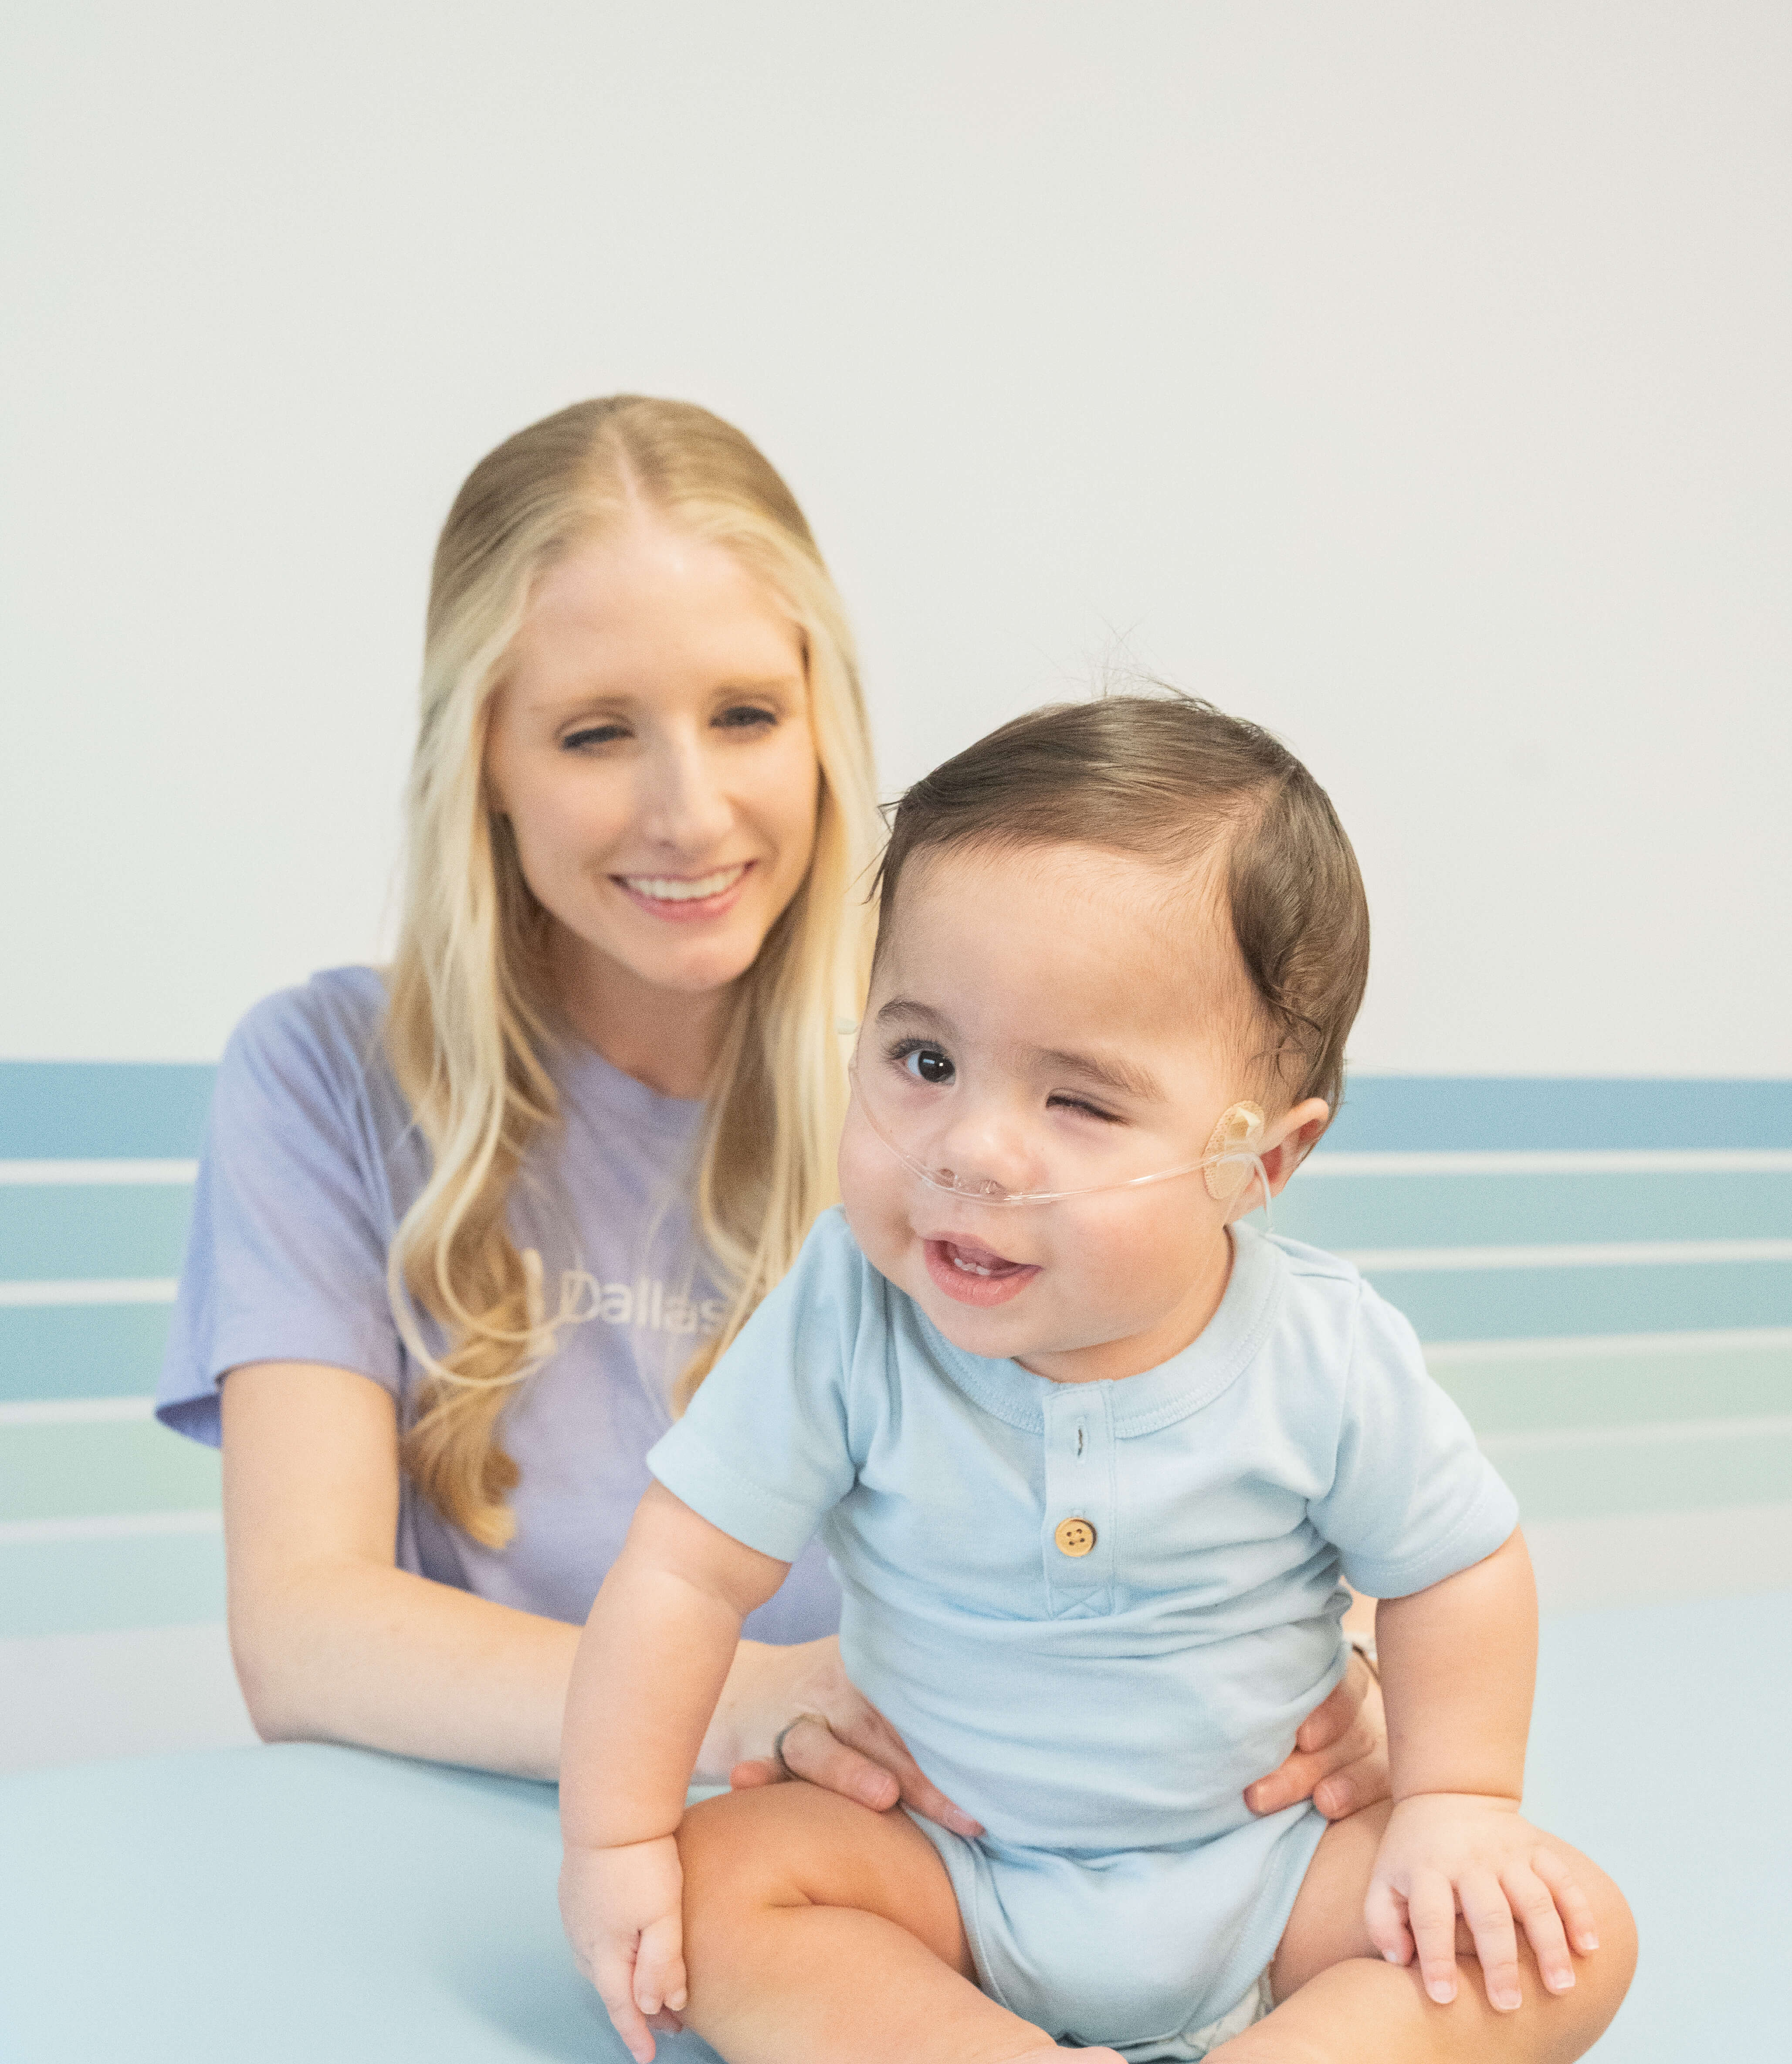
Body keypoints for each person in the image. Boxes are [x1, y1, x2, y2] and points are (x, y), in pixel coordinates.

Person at [157, 398, 1386, 1820]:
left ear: (821, 724)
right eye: (595, 733)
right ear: (483, 758)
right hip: (476, 1866)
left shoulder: (943, 1093)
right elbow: (303, 1640)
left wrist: (1337, 1669)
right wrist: (732, 1695)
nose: (688, 811)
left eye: (744, 716)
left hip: (903, 1882)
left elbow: (1217, 1467)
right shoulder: (322, 1076)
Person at [557, 691, 1638, 2064]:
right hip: (949, 1863)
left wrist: (1459, 1806)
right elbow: (679, 1572)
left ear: (1258, 1163)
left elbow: (1459, 1563)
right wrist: (614, 1840)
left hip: (1263, 1876)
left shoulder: (1320, 1351)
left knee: (1569, 1937)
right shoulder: (848, 1315)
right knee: (721, 1899)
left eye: (1075, 1099)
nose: (970, 1150)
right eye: (921, 1056)